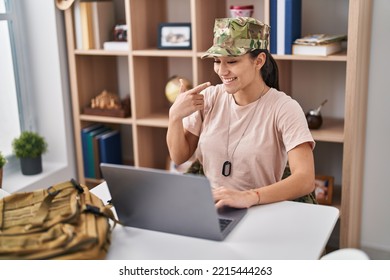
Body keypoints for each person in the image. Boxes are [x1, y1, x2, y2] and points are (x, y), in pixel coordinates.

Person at [166, 17, 315, 209]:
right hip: (210, 208)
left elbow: (305, 179)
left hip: (261, 208)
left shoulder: (284, 108)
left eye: (232, 61)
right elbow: (179, 157)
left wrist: (249, 197)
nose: (221, 70)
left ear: (259, 61)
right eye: (217, 61)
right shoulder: (209, 98)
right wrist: (175, 117)